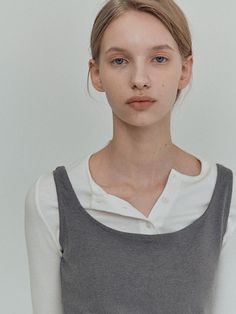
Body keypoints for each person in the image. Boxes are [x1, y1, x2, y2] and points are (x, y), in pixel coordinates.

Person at [24, 0, 236, 313]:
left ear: (185, 70)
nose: (140, 79)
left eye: (159, 58)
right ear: (96, 74)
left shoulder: (225, 198)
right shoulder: (50, 200)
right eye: (120, 60)